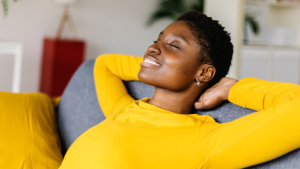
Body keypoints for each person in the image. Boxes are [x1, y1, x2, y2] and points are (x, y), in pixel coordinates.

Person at [59, 11, 300, 169]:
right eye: (157, 39)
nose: (153, 47)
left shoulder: (205, 142)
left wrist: (231, 89)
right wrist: (156, 62)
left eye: (174, 45)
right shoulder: (123, 110)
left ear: (204, 73)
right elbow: (105, 65)